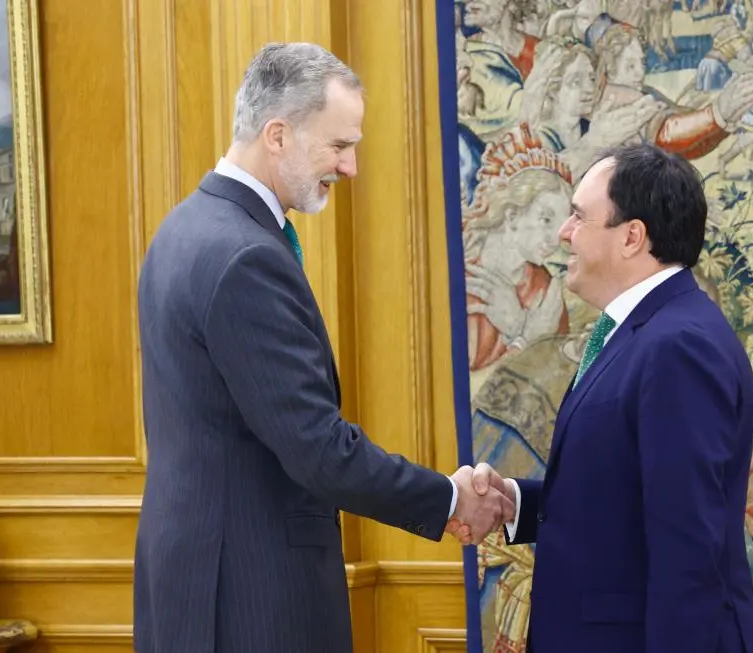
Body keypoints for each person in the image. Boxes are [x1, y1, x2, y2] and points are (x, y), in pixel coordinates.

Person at [133, 42, 513, 653]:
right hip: (250, 601)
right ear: (278, 134)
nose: (351, 166)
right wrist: (447, 498)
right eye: (339, 145)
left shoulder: (182, 230)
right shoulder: (246, 256)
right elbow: (317, 448)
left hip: (196, 585)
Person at [450, 142, 753, 653]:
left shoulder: (678, 346)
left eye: (579, 216)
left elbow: (687, 547)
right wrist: (517, 504)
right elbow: (628, 496)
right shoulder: (643, 332)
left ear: (632, 237)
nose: (564, 232)